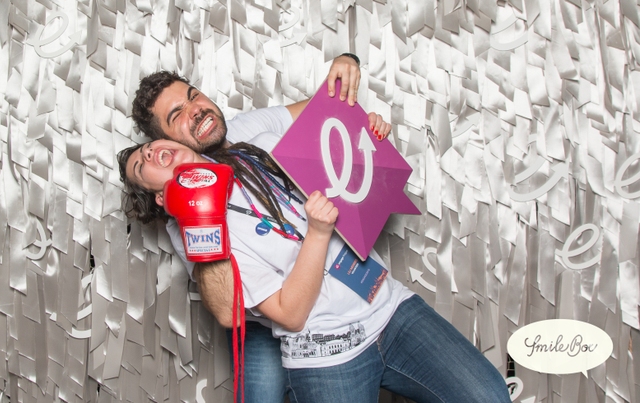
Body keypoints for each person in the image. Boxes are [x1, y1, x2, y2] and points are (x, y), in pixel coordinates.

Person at [117, 137, 512, 403]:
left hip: (392, 310)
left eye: (151, 146)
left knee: (489, 396)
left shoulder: (251, 150)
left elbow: (332, 132)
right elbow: (289, 313)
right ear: (157, 196)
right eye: (141, 164)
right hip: (327, 353)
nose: (150, 153)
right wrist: (318, 233)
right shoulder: (198, 237)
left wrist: (367, 129)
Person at [130, 55, 388, 402]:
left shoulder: (247, 129)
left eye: (193, 96)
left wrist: (347, 67)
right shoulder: (183, 216)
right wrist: (199, 214)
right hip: (259, 316)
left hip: (330, 294)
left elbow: (326, 110)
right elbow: (229, 311)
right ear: (168, 141)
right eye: (176, 115)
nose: (195, 111)